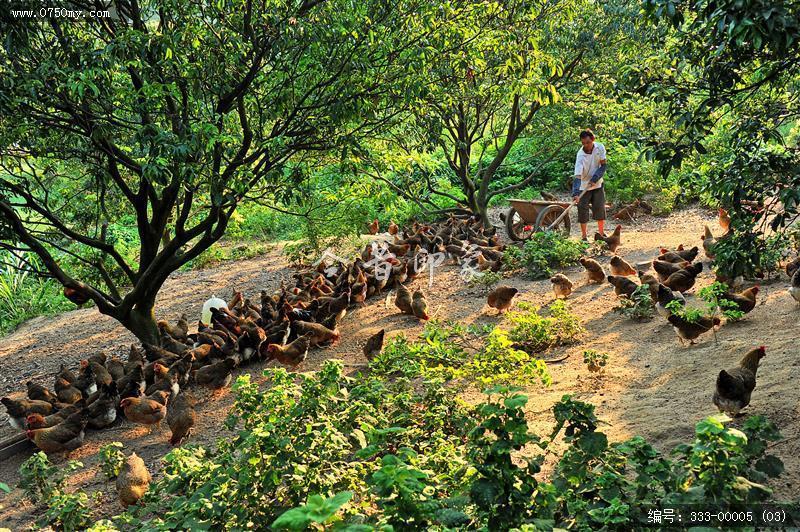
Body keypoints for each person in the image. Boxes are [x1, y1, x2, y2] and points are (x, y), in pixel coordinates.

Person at [571, 129, 607, 240]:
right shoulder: (580, 155)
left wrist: (595, 179)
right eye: (583, 143)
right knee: (582, 210)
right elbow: (577, 175)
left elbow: (603, 166)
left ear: (593, 140)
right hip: (583, 185)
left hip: (597, 184)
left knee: (600, 208)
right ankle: (584, 236)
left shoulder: (600, 148)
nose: (586, 145)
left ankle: (601, 233)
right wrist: (576, 193)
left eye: (588, 142)